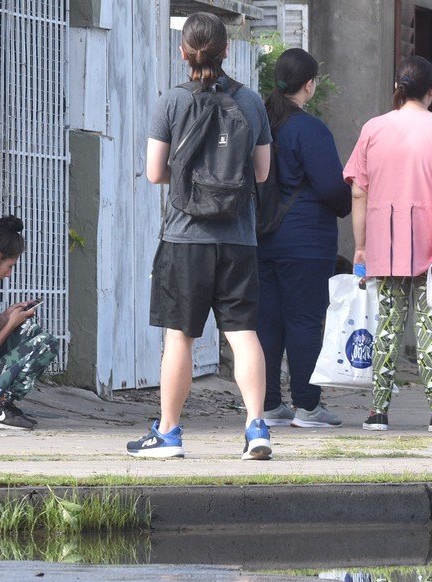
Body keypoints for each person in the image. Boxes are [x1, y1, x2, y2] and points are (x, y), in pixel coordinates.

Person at [133, 11, 275, 461]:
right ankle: (256, 428)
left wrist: (192, 175)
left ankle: (169, 433)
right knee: (244, 332)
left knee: (180, 337)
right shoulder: (250, 101)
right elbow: (263, 172)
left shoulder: (171, 102)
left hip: (185, 237)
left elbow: (155, 173)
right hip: (239, 237)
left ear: (183, 52)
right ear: (227, 50)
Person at [343, 55, 432, 433]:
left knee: (387, 325)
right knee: (429, 326)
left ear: (397, 90)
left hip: (384, 243)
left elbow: (358, 191)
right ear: (431, 92)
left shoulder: (373, 129)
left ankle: (377, 411)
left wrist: (361, 246)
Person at [256, 47, 352, 429]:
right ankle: (308, 407)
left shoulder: (261, 122)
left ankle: (268, 405)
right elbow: (331, 187)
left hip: (261, 238)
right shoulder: (310, 129)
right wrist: (350, 203)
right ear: (309, 85)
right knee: (305, 322)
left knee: (268, 321)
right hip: (307, 242)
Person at [0, 217, 61, 431]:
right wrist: (10, 325)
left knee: (28, 330)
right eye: (9, 266)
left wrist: (0, 322)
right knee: (46, 343)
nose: (8, 274)